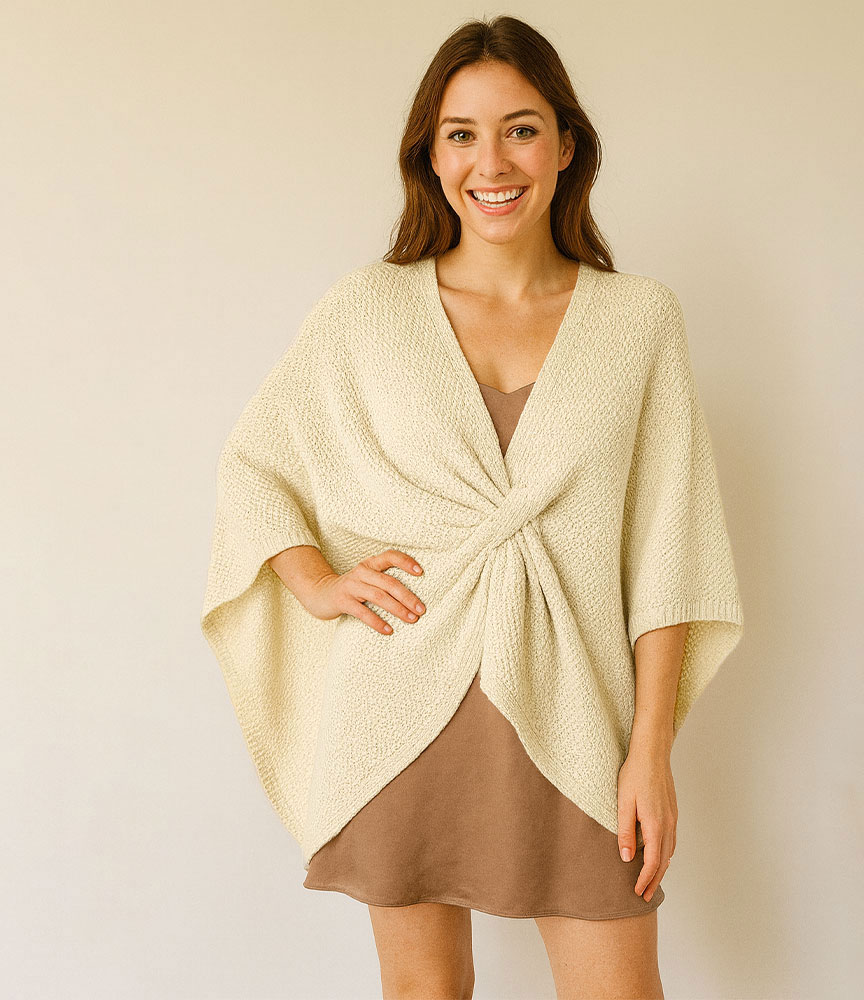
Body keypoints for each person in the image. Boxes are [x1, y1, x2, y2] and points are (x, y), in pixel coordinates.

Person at [200, 15, 744, 1000]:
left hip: (576, 714)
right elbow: (256, 465)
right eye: (461, 134)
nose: (491, 162)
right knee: (423, 991)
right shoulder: (368, 309)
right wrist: (316, 582)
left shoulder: (637, 320)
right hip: (402, 702)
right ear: (431, 154)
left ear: (566, 144)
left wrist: (650, 751)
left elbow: (672, 548)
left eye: (520, 129)